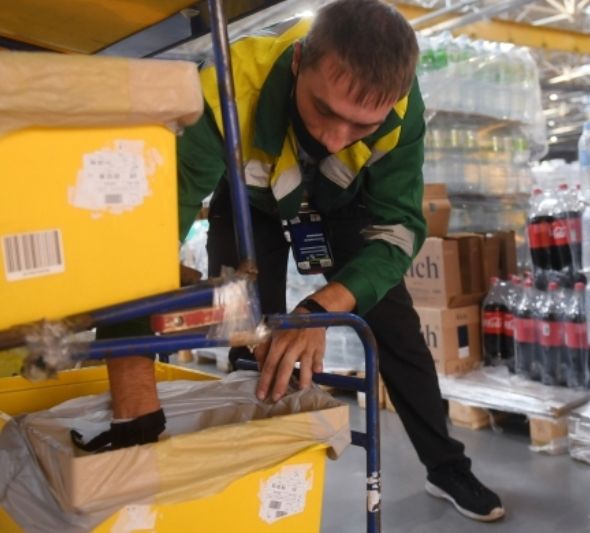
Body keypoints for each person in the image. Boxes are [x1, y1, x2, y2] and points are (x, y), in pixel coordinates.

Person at [83, 0, 504, 522]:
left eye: (360, 126)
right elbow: (147, 237)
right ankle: (250, 459)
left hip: (344, 205)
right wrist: (134, 409)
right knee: (243, 321)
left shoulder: (402, 109)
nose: (334, 137)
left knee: (395, 327)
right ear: (300, 60)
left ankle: (447, 468)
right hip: (250, 202)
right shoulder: (226, 86)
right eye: (324, 110)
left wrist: (320, 309)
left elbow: (399, 228)